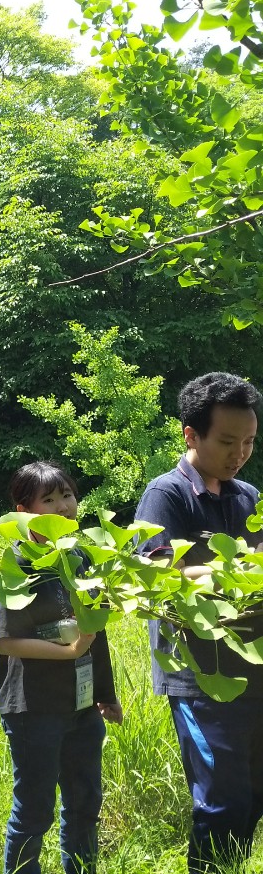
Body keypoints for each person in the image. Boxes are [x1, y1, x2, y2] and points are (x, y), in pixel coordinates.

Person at [135, 372, 263, 874]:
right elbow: (153, 576)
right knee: (222, 801)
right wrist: (238, 571)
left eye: (248, 441)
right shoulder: (166, 495)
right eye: (228, 442)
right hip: (201, 676)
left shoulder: (247, 496)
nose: (240, 454)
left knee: (252, 796)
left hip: (254, 670)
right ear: (191, 434)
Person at [0, 461, 122, 874]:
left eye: (67, 495)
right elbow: (5, 641)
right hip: (34, 707)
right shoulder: (18, 562)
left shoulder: (82, 557)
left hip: (81, 705)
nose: (63, 506)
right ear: (24, 511)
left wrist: (106, 694)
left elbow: (96, 633)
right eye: (48, 500)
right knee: (34, 809)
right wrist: (67, 652)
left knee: (85, 802)